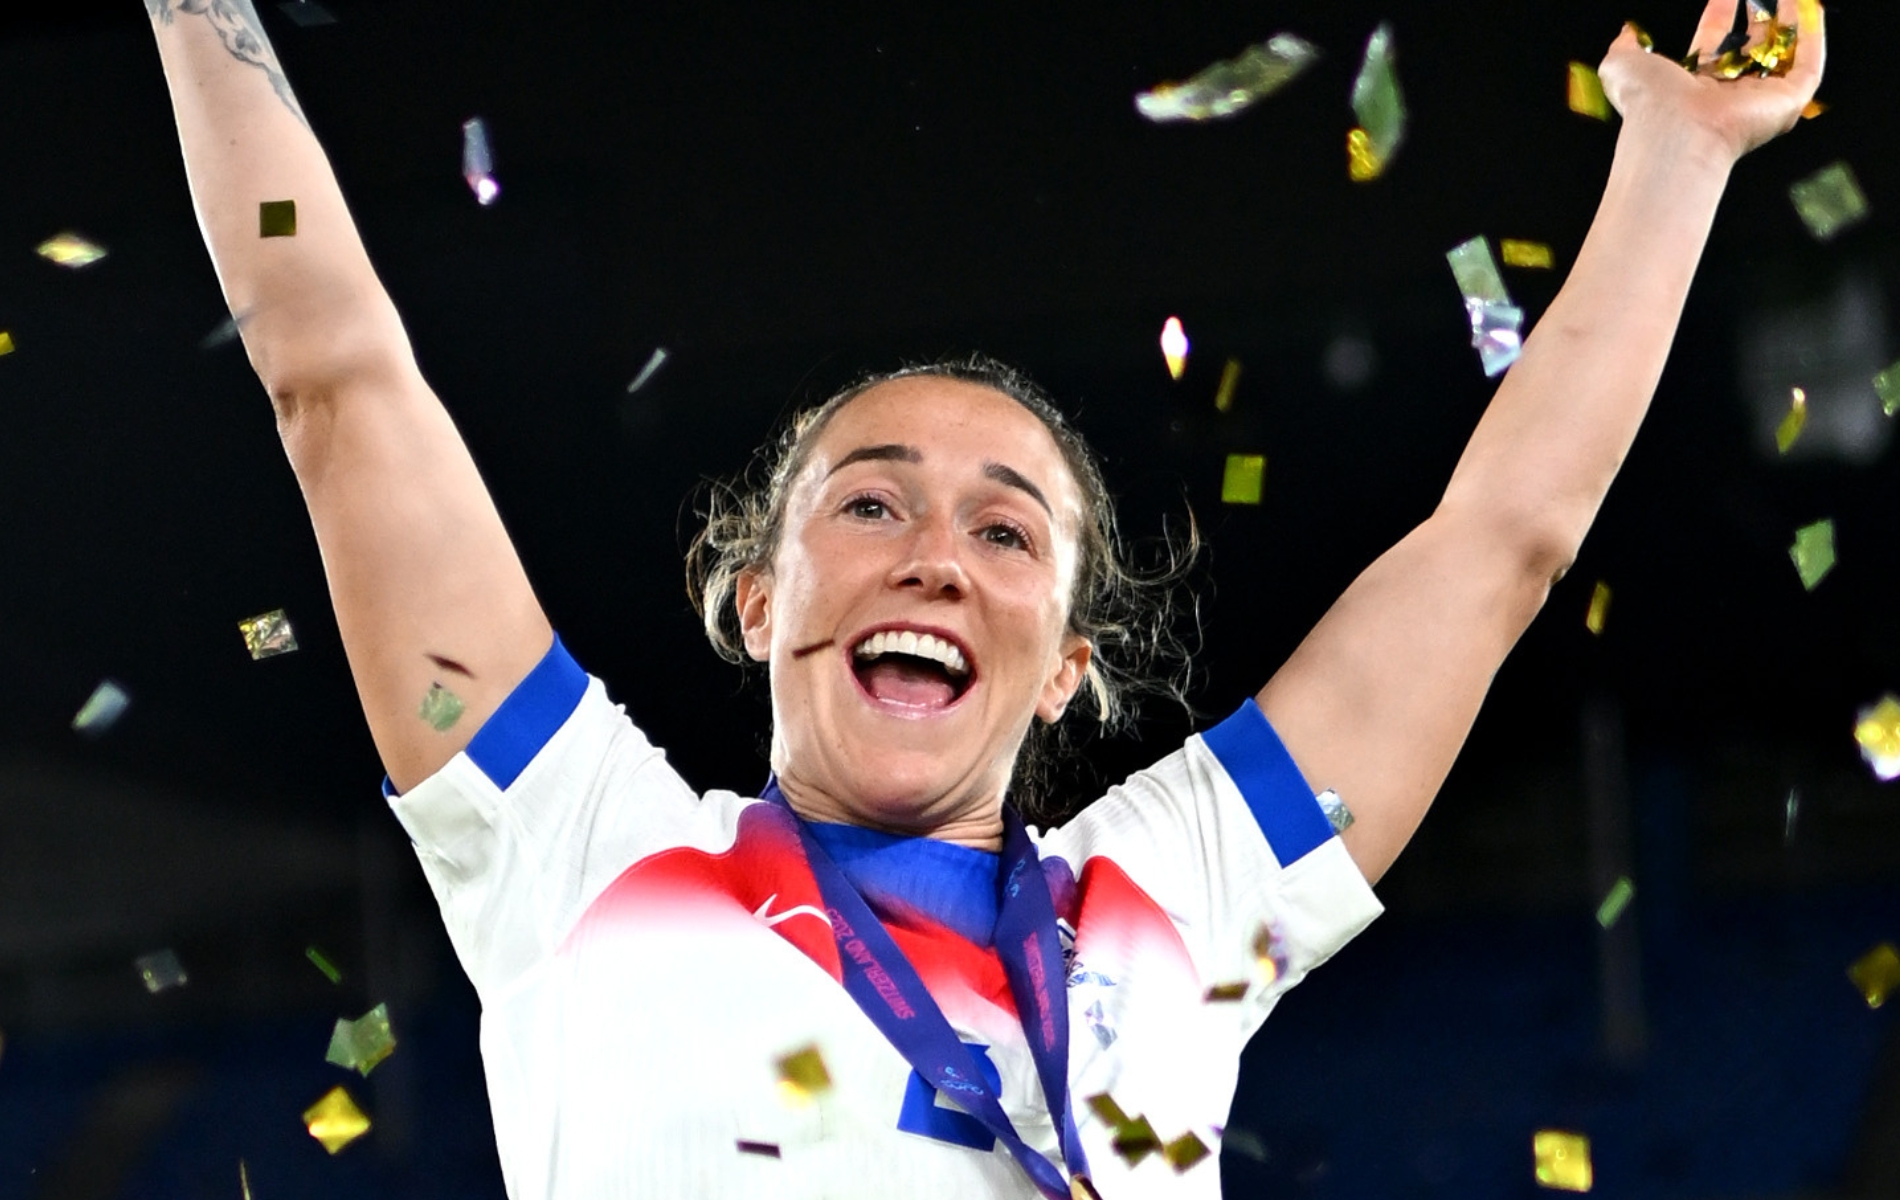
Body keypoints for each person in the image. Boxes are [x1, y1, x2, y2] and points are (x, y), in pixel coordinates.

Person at [143, 1, 1824, 1197]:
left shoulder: (1179, 894)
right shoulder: (574, 846)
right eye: (868, 505)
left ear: (1071, 665)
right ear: (754, 597)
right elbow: (338, 385)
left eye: (1008, 534)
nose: (935, 555)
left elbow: (1501, 539)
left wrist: (1679, 153)